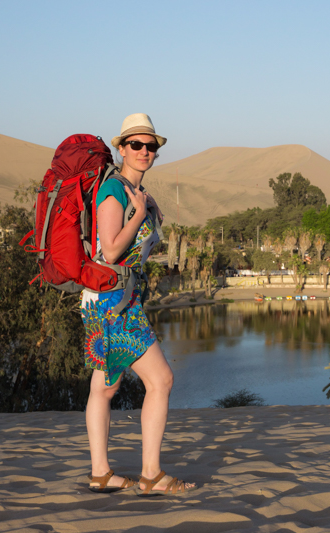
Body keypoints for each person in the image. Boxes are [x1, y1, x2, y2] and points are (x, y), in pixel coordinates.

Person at [82, 113, 196, 496]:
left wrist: (146, 210)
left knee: (105, 388)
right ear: (121, 148)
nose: (144, 151)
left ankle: (102, 473)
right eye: (136, 145)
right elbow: (112, 249)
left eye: (151, 146)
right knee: (160, 379)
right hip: (113, 300)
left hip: (116, 299)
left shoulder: (137, 193)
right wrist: (141, 215)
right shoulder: (113, 190)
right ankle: (150, 475)